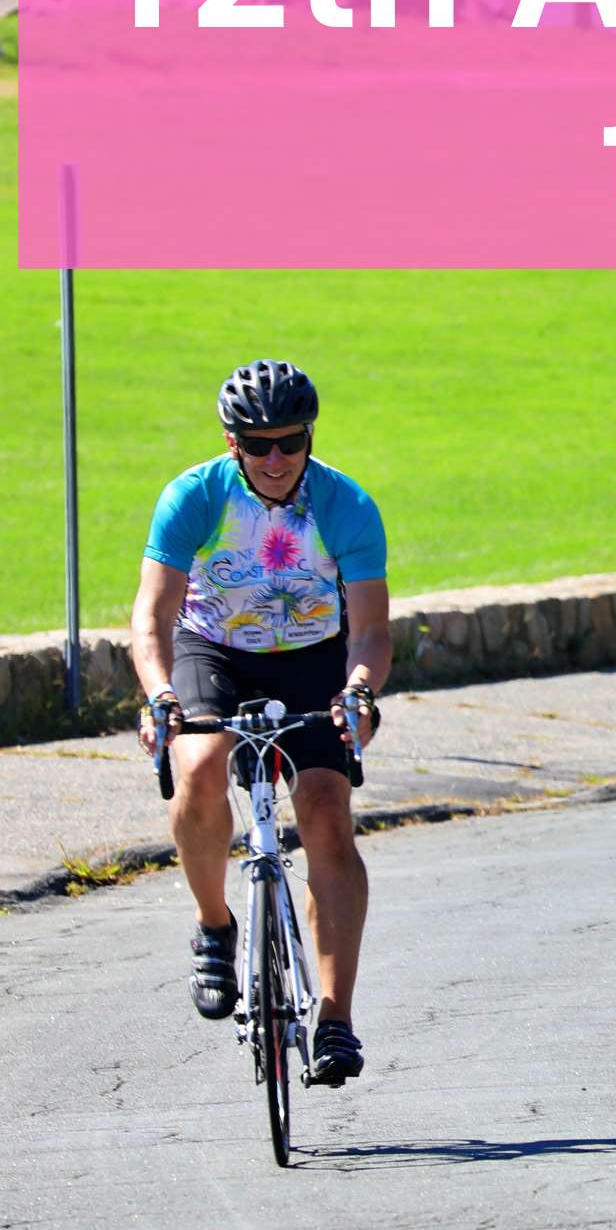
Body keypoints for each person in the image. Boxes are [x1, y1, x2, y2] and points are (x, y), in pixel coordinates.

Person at [129, 360, 389, 1087]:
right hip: (214, 649)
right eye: (257, 443)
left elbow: (369, 632)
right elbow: (151, 619)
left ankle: (334, 1017)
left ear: (309, 438)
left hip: (312, 656)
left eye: (290, 442)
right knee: (202, 771)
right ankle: (216, 924)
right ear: (230, 441)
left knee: (329, 817)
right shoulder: (193, 497)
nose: (275, 459)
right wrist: (158, 696)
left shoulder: (345, 505)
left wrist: (359, 691)